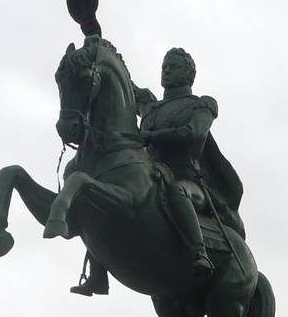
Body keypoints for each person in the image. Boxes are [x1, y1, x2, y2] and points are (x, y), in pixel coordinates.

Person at [71, 47, 244, 296]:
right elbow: (118, 78)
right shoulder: (150, 105)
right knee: (105, 193)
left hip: (186, 177)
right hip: (150, 173)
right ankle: (97, 276)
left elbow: (193, 133)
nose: (166, 72)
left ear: (188, 74)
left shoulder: (201, 105)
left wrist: (149, 136)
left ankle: (199, 253)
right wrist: (96, 44)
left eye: (173, 67)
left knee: (177, 192)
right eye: (164, 67)